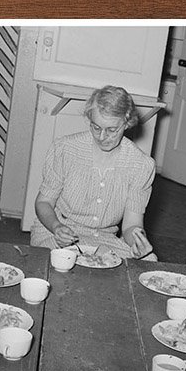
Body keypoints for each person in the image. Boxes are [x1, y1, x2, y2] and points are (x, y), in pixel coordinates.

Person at [30, 85, 156, 259]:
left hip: (104, 239)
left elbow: (131, 225)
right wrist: (56, 227)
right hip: (57, 233)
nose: (102, 137)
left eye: (112, 130)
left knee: (149, 259)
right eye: (96, 127)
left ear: (127, 123)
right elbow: (43, 203)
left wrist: (137, 242)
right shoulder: (65, 149)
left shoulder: (141, 165)